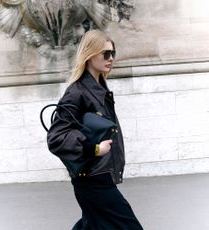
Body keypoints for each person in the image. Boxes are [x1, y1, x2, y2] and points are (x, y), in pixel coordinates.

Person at [47, 29, 143, 230]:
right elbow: (56, 138)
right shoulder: (77, 92)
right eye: (105, 54)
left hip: (99, 177)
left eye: (113, 54)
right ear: (89, 55)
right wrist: (95, 149)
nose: (111, 59)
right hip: (93, 180)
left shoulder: (99, 87)